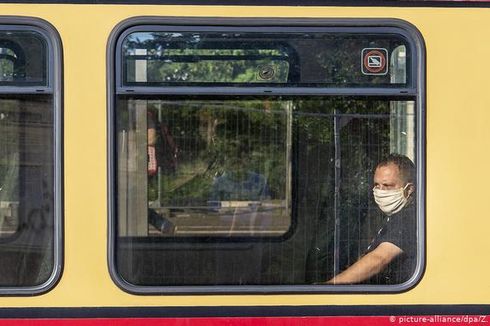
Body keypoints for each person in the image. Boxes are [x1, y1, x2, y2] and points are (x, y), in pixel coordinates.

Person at [327, 154, 416, 284]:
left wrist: (329, 287)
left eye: (387, 185)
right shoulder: (393, 215)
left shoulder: (409, 218)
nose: (379, 191)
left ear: (409, 189)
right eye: (376, 185)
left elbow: (379, 259)